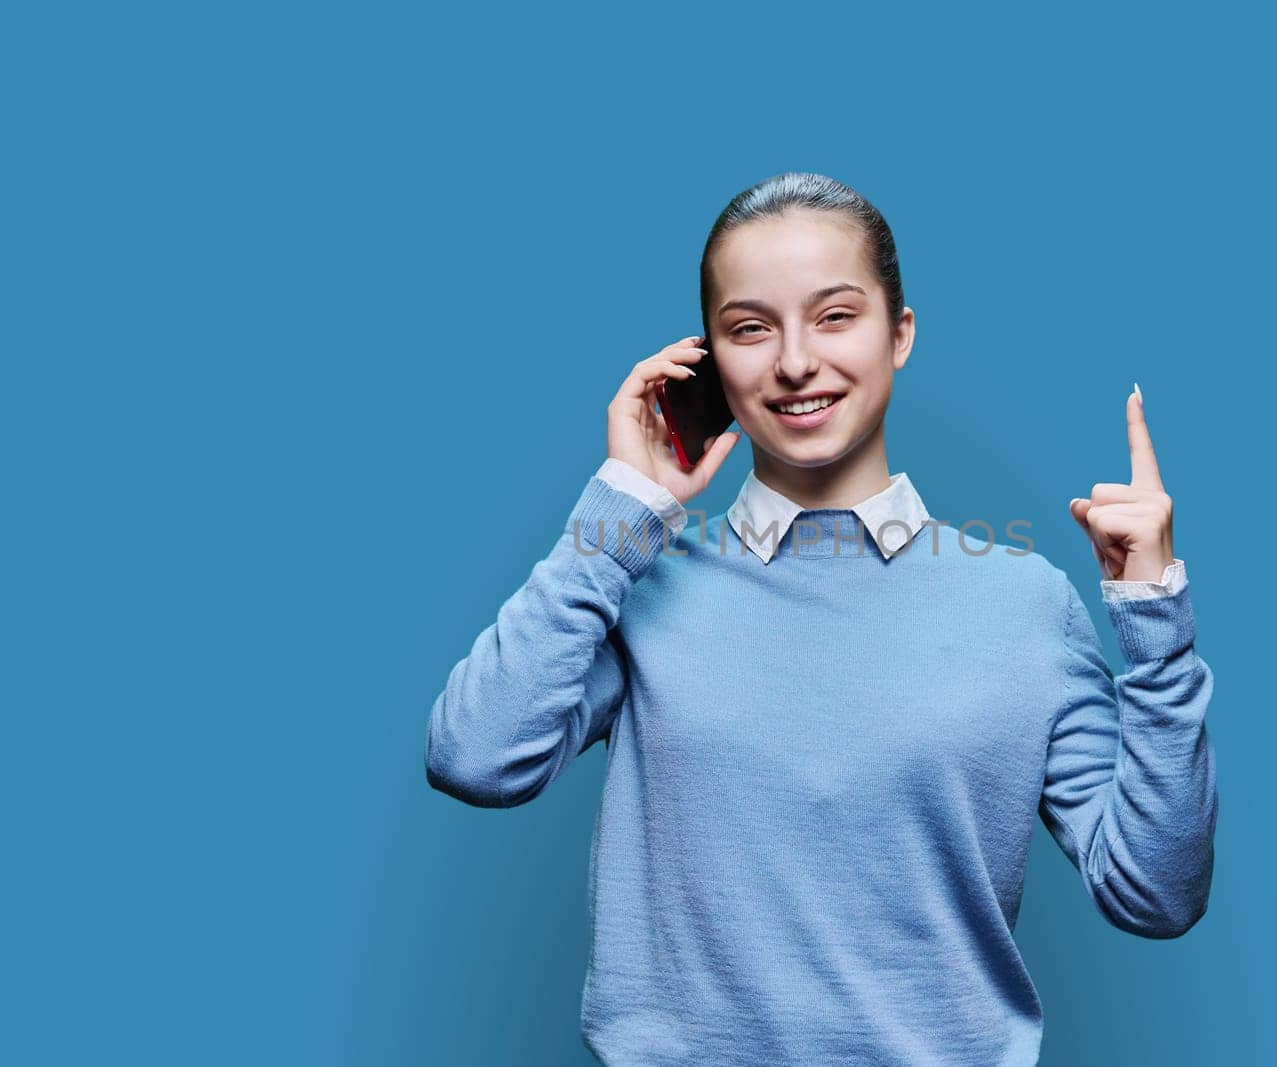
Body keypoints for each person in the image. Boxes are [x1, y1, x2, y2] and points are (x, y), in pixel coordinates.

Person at [424, 172, 1218, 1066]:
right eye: (750, 328)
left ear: (901, 334)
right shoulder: (640, 580)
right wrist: (618, 512)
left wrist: (1155, 625)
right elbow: (475, 758)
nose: (795, 361)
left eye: (836, 315)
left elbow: (1157, 893)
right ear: (709, 363)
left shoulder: (1026, 603)